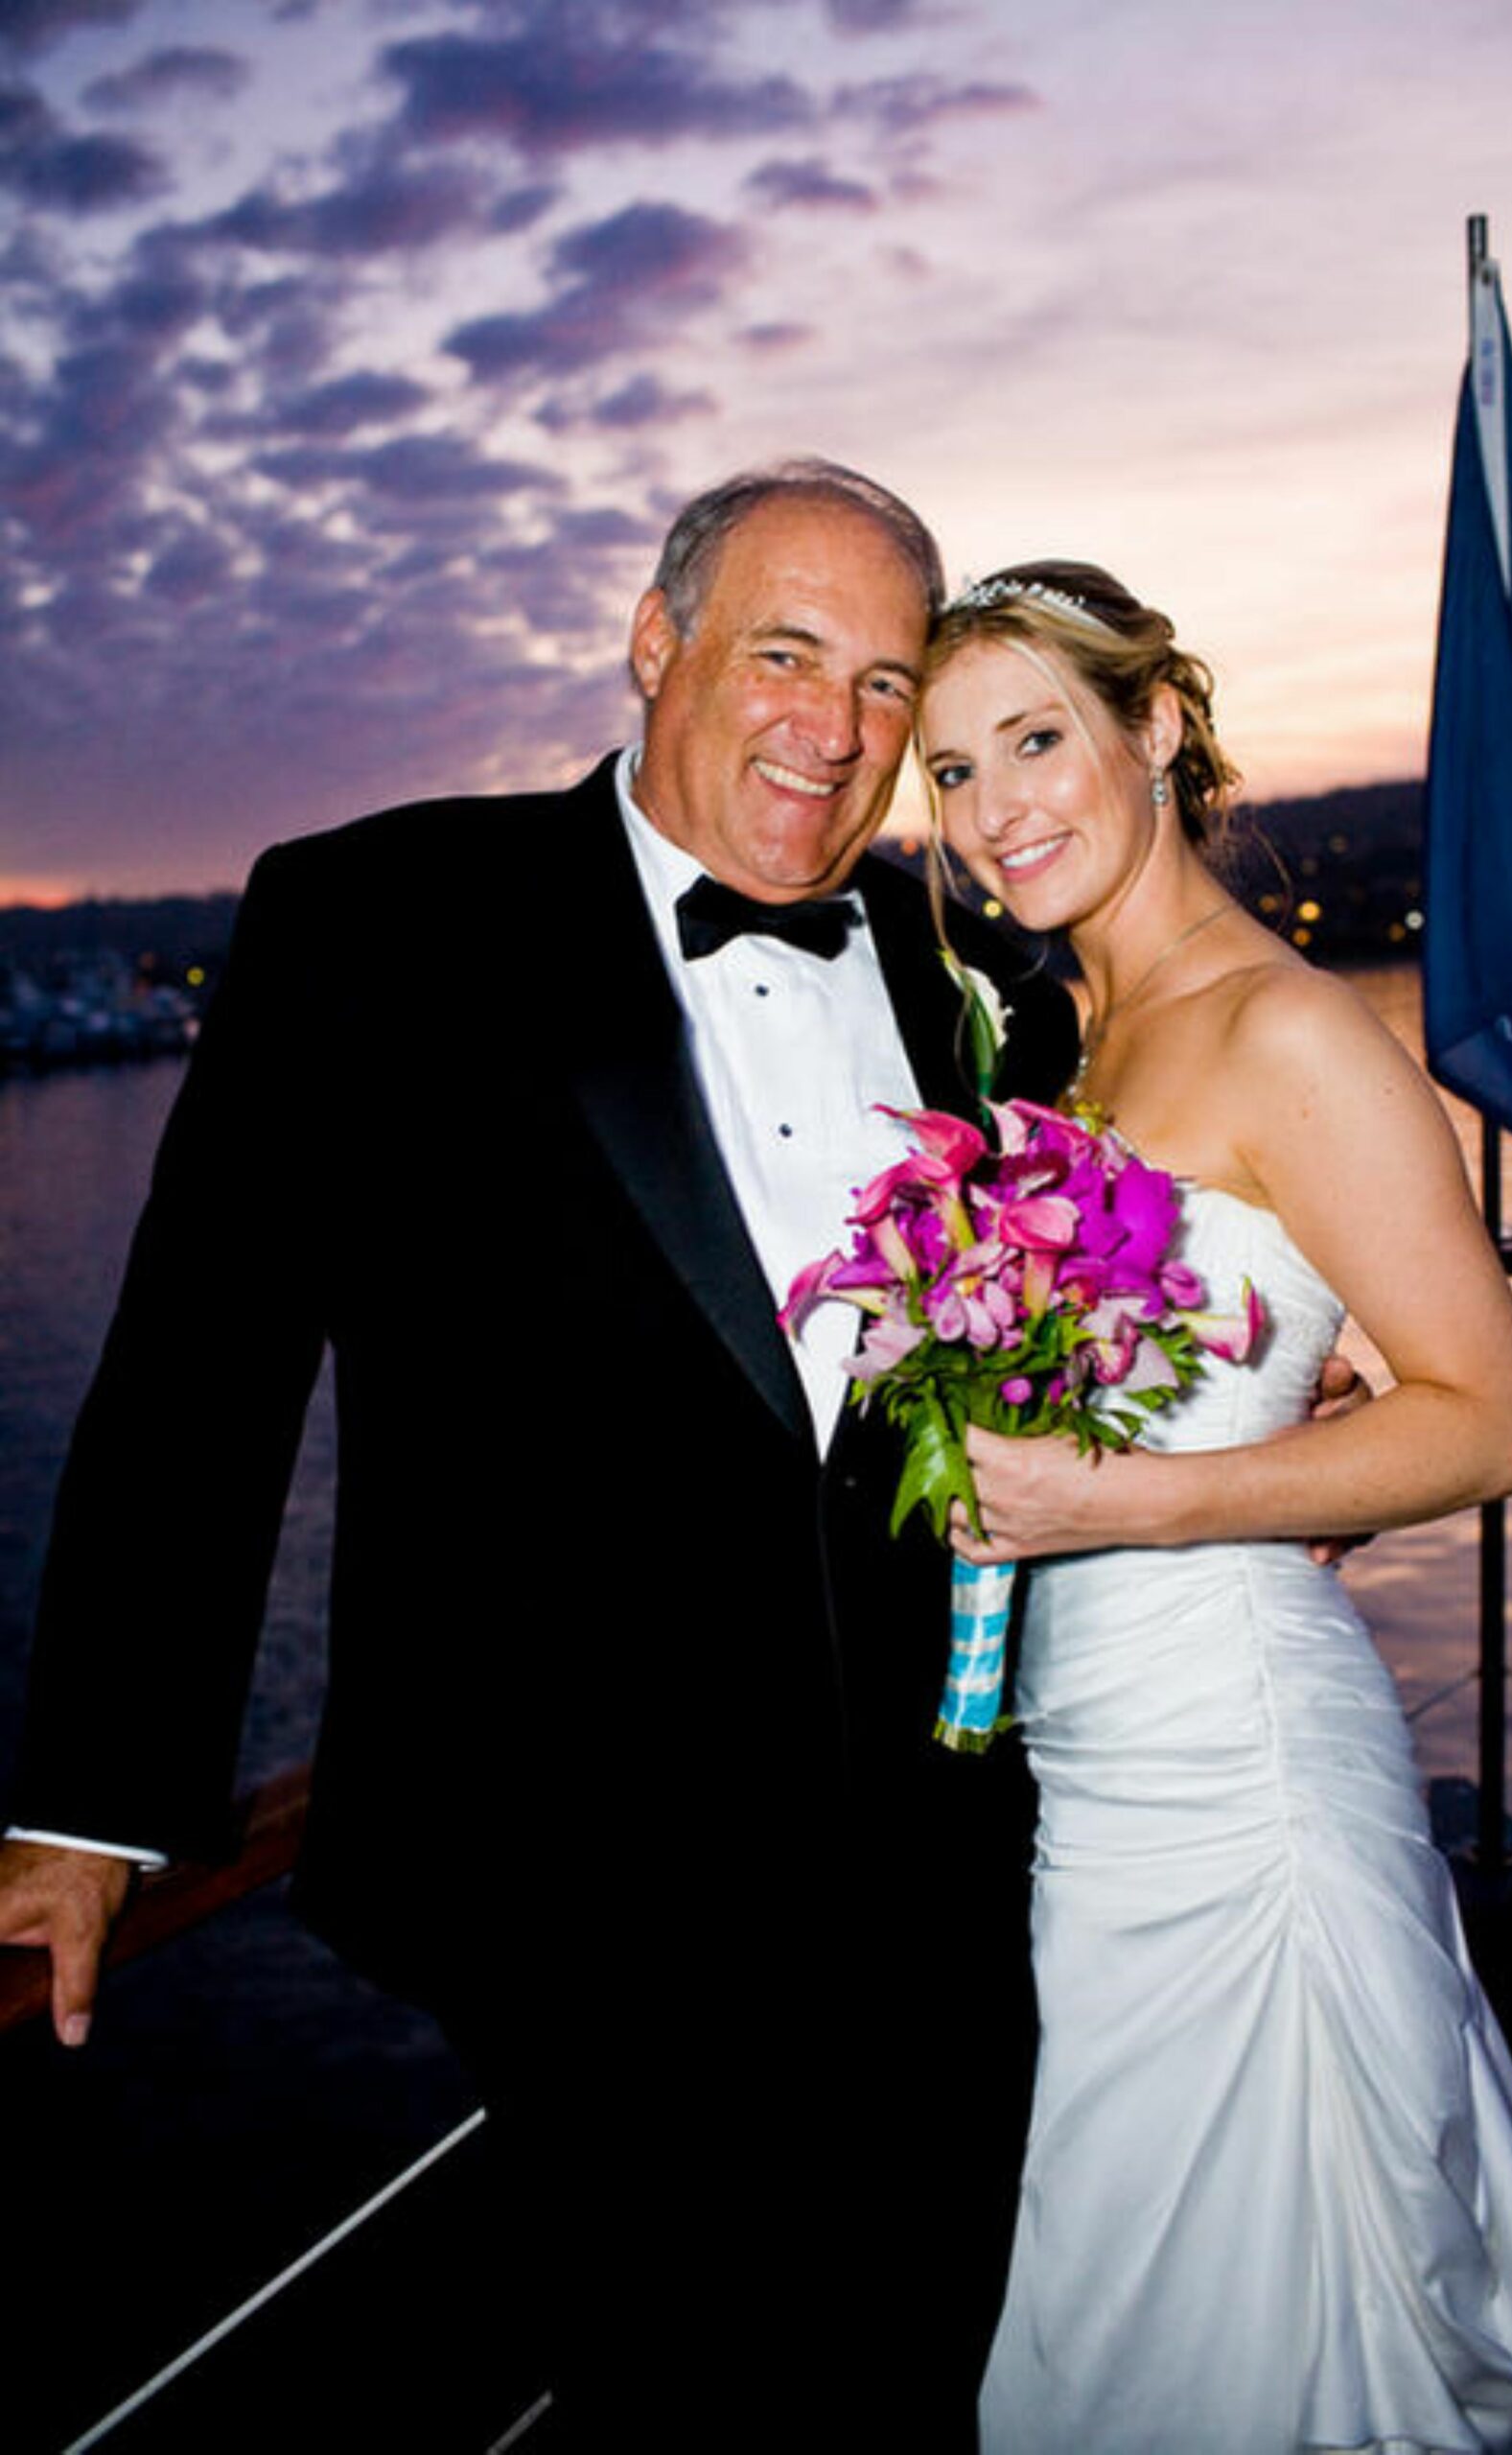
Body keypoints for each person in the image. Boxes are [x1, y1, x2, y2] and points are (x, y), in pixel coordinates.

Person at [0, 464, 1081, 2448]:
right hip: (576, 1888)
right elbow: (197, 1370)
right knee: (673, 2388)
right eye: (779, 653)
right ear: (654, 642)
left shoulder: (967, 976)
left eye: (878, 679)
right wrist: (92, 1793)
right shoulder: (374, 914)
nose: (830, 731)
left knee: (929, 2358)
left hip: (930, 1876)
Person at [917, 562, 1512, 2454]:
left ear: (1153, 726)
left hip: (1234, 1779)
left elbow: (1493, 1420)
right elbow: (1234, 1360)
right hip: (1089, 1773)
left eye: (1037, 737)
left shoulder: (1283, 1027)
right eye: (951, 765)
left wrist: (1142, 1498)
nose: (995, 806)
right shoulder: (1071, 1046)